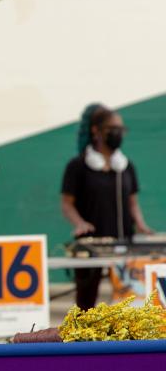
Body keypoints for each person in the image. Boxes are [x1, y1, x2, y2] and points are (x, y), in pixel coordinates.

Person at [60, 103, 153, 309]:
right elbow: (67, 204)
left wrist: (141, 224)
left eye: (121, 130)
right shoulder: (77, 166)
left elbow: (133, 204)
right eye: (113, 129)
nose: (118, 134)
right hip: (92, 243)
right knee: (86, 303)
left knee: (129, 300)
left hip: (123, 242)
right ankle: (84, 340)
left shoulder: (126, 167)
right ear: (96, 131)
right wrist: (79, 223)